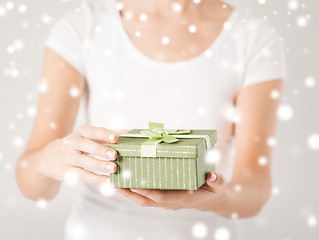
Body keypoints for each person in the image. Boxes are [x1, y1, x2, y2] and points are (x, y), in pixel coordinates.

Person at [15, 0, 286, 239]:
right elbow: (33, 187)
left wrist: (215, 200)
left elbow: (254, 189)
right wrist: (51, 160)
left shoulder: (252, 37)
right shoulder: (82, 27)